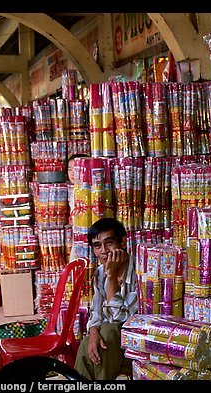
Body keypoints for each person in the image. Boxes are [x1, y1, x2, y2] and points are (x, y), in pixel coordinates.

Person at [74, 218, 138, 380]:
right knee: (88, 341)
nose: (104, 251)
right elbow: (96, 312)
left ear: (123, 242)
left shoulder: (140, 271)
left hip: (133, 341)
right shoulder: (100, 273)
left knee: (108, 332)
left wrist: (111, 277)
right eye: (97, 246)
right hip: (110, 339)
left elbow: (119, 319)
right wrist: (94, 331)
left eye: (109, 243)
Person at [67, 153, 89, 262]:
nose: (72, 173)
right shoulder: (73, 191)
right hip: (78, 238)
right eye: (70, 169)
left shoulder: (88, 191)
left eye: (76, 169)